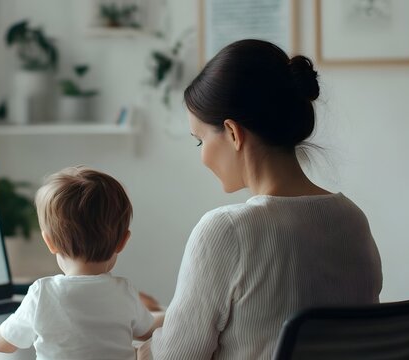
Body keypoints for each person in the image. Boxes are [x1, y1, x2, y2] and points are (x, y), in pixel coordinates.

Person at [145, 39, 383, 359]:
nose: (202, 158)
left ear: (232, 132)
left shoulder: (226, 230)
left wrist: (134, 343)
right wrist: (164, 316)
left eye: (200, 141)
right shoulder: (353, 219)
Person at [0, 166, 157, 359]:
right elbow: (146, 331)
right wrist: (163, 316)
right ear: (123, 241)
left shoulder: (42, 292)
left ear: (49, 242)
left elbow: (4, 344)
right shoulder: (124, 290)